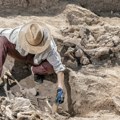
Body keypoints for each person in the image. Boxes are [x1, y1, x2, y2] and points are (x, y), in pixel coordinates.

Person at [0, 22, 65, 104]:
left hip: (36, 60)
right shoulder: (18, 34)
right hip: (20, 54)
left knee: (50, 67)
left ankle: (35, 70)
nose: (33, 48)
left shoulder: (49, 47)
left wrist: (60, 89)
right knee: (1, 41)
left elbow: (59, 69)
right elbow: (1, 33)